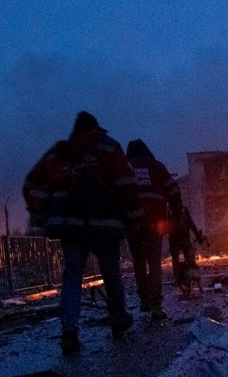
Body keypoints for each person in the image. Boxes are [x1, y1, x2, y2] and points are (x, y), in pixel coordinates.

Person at [23, 111, 142, 355]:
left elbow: (31, 184)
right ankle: (118, 320)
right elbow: (127, 185)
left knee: (72, 277)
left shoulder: (61, 152)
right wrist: (134, 220)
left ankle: (69, 332)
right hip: (105, 226)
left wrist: (44, 214)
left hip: (72, 228)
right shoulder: (109, 148)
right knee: (112, 273)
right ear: (97, 128)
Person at [124, 139, 182, 320]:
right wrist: (177, 215)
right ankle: (157, 305)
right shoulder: (156, 166)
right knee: (154, 262)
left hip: (132, 223)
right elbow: (174, 191)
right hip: (155, 222)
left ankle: (145, 301)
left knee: (139, 262)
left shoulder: (125, 166)